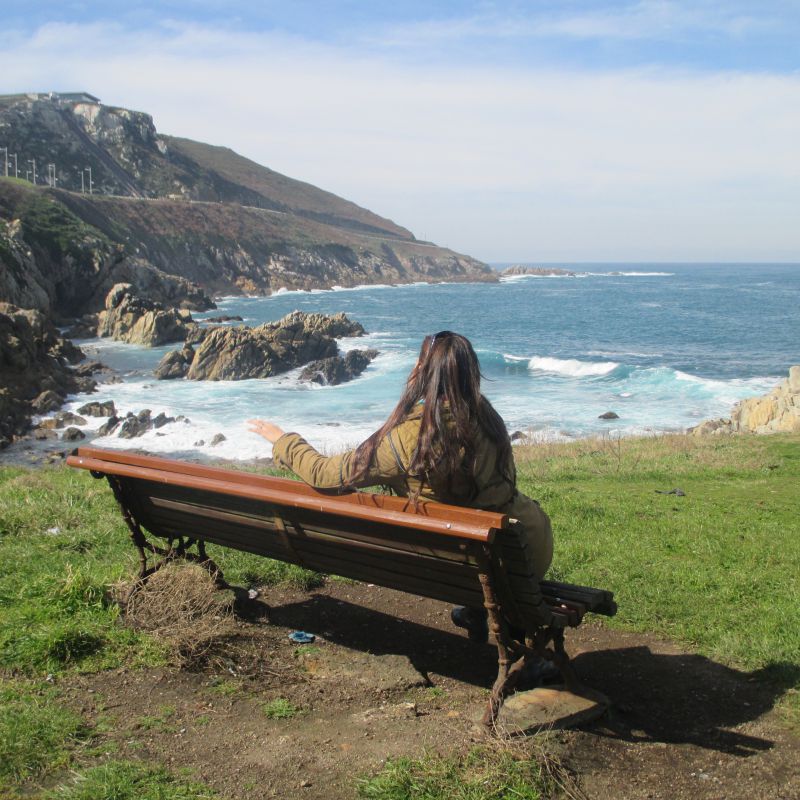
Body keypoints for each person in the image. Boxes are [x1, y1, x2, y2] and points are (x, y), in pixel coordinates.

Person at [247, 330, 554, 643]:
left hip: (460, 571)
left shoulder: (409, 440)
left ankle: (481, 608)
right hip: (525, 556)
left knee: (471, 550)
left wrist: (282, 439)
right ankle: (488, 613)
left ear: (421, 372)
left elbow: (324, 473)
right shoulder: (489, 419)